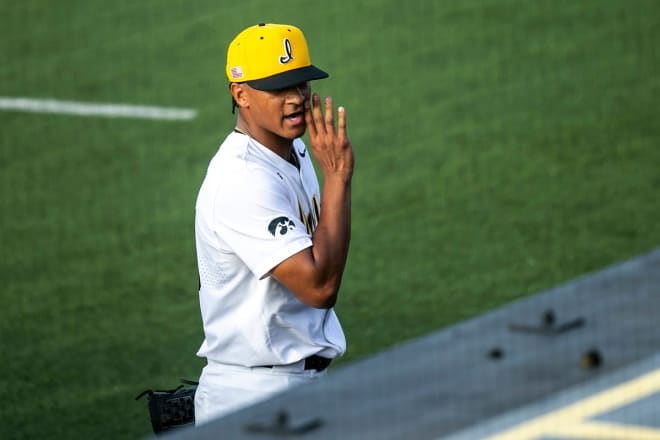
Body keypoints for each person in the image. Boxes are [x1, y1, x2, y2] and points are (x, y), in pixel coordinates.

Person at [193, 23, 354, 425]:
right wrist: (336, 178)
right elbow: (319, 286)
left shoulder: (297, 148)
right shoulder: (241, 180)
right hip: (253, 397)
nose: (296, 98)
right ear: (240, 93)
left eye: (300, 83)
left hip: (298, 384)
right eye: (278, 87)